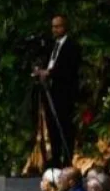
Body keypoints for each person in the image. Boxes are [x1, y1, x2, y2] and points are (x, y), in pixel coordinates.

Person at [33, 15, 80, 168]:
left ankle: (67, 160)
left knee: (65, 126)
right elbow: (49, 63)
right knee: (52, 126)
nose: (55, 30)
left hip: (65, 93)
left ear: (65, 27)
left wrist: (50, 73)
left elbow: (68, 69)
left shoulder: (71, 46)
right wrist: (40, 71)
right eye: (53, 26)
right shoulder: (52, 46)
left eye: (58, 26)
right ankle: (55, 160)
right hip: (51, 92)